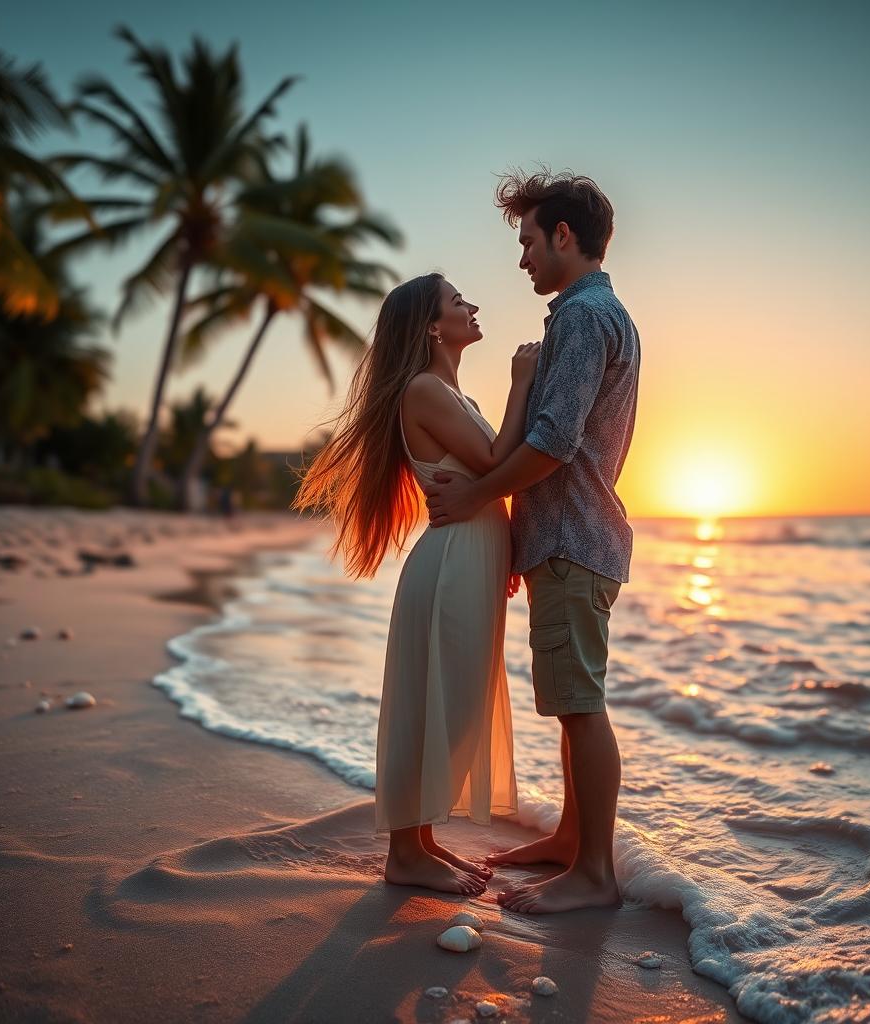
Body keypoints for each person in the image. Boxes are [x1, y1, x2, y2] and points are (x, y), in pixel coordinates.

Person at [424, 170, 641, 914]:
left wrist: (480, 495)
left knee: (581, 706)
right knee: (573, 702)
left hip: (575, 536)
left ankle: (595, 875)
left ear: (563, 236)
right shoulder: (588, 314)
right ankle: (570, 848)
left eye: (527, 241)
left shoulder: (583, 317)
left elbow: (552, 443)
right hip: (567, 536)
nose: (521, 260)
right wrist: (519, 536)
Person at [292, 273, 540, 895]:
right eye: (458, 301)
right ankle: (405, 854)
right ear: (433, 327)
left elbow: (488, 473)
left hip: (471, 557)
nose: (473, 305)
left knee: (449, 704)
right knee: (437, 702)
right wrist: (522, 383)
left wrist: (506, 552)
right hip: (452, 560)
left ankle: (422, 843)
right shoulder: (425, 389)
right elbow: (494, 465)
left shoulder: (449, 393)